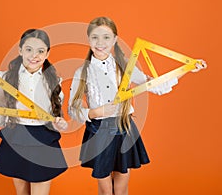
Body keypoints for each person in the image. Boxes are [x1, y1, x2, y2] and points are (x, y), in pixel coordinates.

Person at [68, 17, 207, 195]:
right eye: (95, 37)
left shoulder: (125, 65)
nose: (100, 43)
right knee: (104, 189)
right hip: (98, 131)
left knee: (120, 188)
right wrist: (95, 112)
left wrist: (186, 69)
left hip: (124, 128)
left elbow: (157, 87)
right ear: (88, 39)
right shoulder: (82, 71)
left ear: (115, 39)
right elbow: (73, 109)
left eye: (106, 37)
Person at [0, 29, 68, 195]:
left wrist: (60, 123)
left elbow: (57, 120)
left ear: (47, 53)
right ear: (20, 50)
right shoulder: (5, 78)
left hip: (43, 140)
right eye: (29, 49)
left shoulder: (53, 81)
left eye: (40, 51)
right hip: (16, 138)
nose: (34, 56)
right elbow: (0, 120)